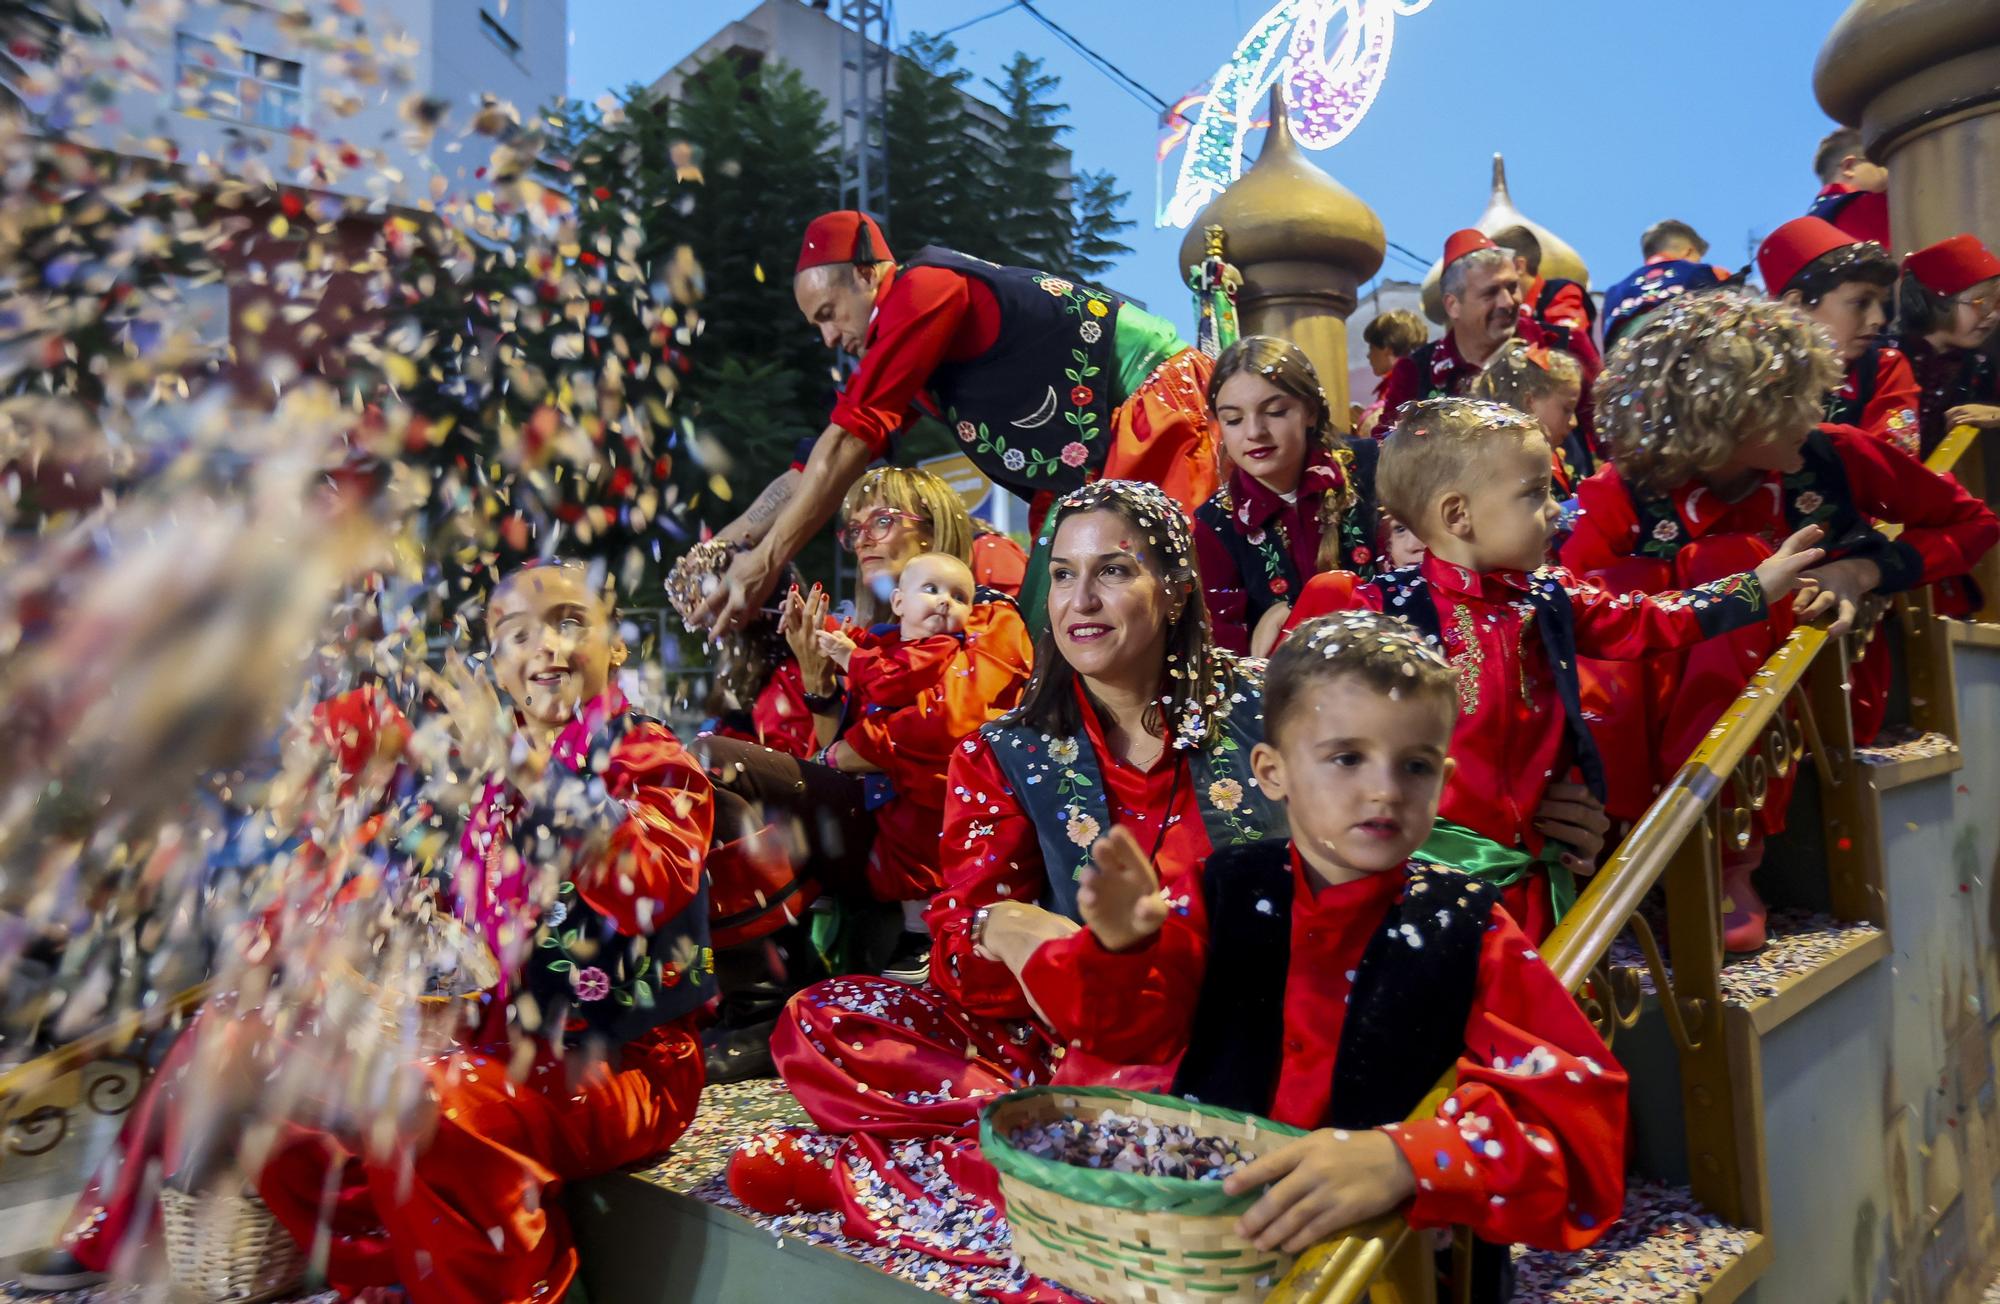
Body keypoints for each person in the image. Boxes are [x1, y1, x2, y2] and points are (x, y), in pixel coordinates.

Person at [1042, 612, 1628, 1299]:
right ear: (1272, 770)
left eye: (1413, 766)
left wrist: (1410, 1159)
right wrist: (1121, 948)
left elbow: (1578, 1128)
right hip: (1212, 1260)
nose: (1384, 790)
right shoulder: (1218, 889)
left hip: (1395, 1272)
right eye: (1347, 758)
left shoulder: (1471, 927)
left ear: (1443, 779)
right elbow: (1127, 1036)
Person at [247, 559, 720, 1304]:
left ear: (616, 644)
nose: (547, 650)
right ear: (495, 663)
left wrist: (523, 770)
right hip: (489, 1048)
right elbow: (469, 937)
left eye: (569, 623)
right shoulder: (489, 781)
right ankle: (401, 1279)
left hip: (627, 1065)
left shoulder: (652, 760)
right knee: (280, 1080)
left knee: (423, 1099)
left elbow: (651, 880)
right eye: (516, 635)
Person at [1277, 398, 1827, 942]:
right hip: (1416, 877)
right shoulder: (1372, 607)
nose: (1556, 511)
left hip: (1535, 874)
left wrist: (1754, 588)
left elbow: (1649, 621)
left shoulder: (1550, 597)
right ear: (1456, 514)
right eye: (1534, 494)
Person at [1564, 295, 1999, 950]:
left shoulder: (1838, 455)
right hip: (1663, 703)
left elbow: (1974, 522)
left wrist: (1862, 572)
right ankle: (1626, 844)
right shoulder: (1624, 489)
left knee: (1728, 562)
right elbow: (1576, 616)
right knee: (1615, 598)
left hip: (1816, 688)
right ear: (1730, 415)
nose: (1817, 413)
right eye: (1793, 401)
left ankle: (1725, 859)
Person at [691, 210, 1222, 637]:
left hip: (1151, 408)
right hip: (1094, 460)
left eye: (828, 312)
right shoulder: (906, 357)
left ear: (865, 273)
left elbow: (849, 440)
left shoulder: (925, 287)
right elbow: (818, 461)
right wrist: (719, 550)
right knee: (1057, 621)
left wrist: (764, 562)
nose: (828, 337)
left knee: (1101, 614)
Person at [694, 466, 1033, 990]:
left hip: (936, 830)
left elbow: (950, 725)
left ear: (931, 526)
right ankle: (762, 994)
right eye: (854, 529)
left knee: (714, 760)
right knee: (712, 785)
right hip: (876, 819)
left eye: (881, 521)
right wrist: (818, 681)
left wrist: (851, 751)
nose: (863, 540)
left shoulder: (984, 615)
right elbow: (833, 751)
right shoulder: (878, 635)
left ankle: (773, 991)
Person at [812, 550, 981, 973]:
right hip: (890, 780)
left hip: (917, 786)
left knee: (912, 858)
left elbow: (892, 680)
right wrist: (834, 632)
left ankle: (919, 937)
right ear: (900, 603)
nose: (945, 601)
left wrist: (849, 657)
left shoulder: (939, 648)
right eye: (932, 589)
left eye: (959, 596)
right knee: (886, 848)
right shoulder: (895, 641)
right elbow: (877, 649)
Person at [1191, 336, 1382, 656]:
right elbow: (1223, 652)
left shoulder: (1371, 469)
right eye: (1234, 420)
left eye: (1275, 411)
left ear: (1309, 411)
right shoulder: (1216, 524)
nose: (1254, 432)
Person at [1379, 230, 1596, 447]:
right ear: (1453, 305)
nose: (1507, 302)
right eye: (1490, 293)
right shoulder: (1415, 371)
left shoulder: (1565, 344)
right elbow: (1385, 452)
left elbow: (1607, 432)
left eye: (1512, 287)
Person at [1758, 216, 1920, 454]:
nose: (1878, 318)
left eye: (1881, 303)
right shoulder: (1753, 376)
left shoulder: (1883, 367)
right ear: (1796, 305)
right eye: (1861, 302)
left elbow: (1896, 462)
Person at [1896, 233, 2000, 457]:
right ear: (1936, 302)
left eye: (1999, 303)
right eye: (1980, 303)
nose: (1993, 315)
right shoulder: (1886, 357)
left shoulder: (1981, 364)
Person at [1469, 337, 1591, 490]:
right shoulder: (1510, 472)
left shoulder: (1556, 456)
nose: (1574, 422)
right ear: (1529, 403)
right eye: (1567, 409)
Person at [1492, 223, 1600, 370]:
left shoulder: (1561, 291)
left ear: (1518, 266)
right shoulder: (1506, 310)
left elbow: (1569, 345)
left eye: (1495, 267)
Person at [1809, 126, 1891, 248]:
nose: (1889, 172)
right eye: (1882, 163)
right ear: (1849, 167)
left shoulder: (1810, 224)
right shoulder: (1869, 205)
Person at [1358, 308, 1429, 437]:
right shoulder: (1423, 377)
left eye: (1371, 347)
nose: (1368, 355)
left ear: (1387, 349)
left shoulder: (1404, 388)